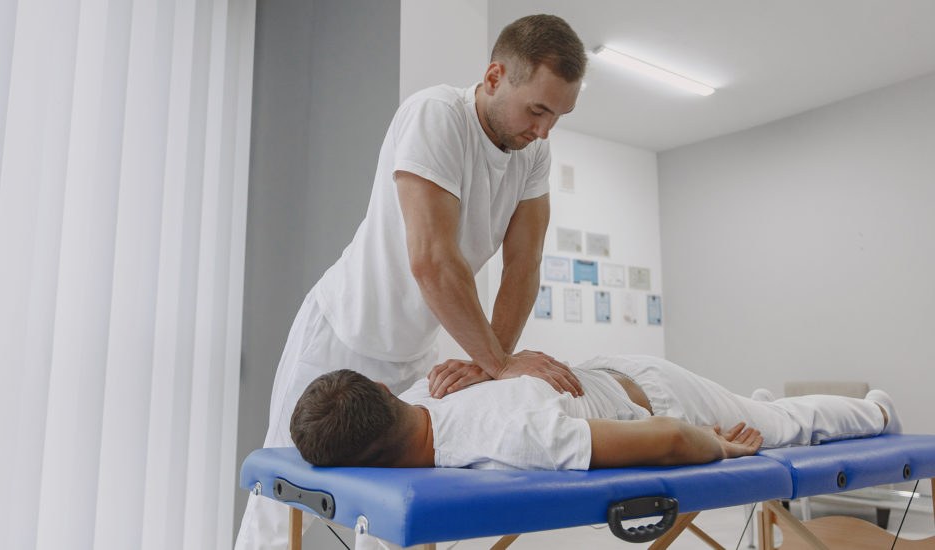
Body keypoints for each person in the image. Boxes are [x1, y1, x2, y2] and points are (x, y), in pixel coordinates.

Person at [236, 14, 590, 549]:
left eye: (558, 116)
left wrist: (491, 365)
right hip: (341, 336)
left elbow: (524, 265)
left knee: (400, 518)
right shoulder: (437, 116)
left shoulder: (533, 152)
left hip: (413, 357)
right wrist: (498, 363)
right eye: (537, 109)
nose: (544, 130)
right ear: (495, 77)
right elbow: (432, 259)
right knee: (282, 503)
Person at [291, 355, 901, 471]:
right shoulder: (420, 398)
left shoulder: (513, 437)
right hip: (611, 381)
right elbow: (669, 441)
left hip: (660, 396)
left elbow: (670, 443)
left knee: (785, 430)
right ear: (380, 388)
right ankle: (751, 409)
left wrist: (722, 447)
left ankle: (875, 411)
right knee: (752, 416)